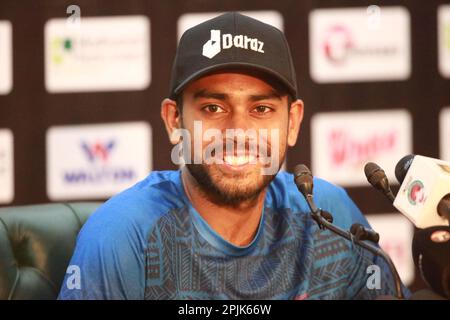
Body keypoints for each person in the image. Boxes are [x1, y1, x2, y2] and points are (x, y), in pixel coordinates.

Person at [58, 12, 409, 300]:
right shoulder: (124, 235)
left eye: (261, 108)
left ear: (293, 122)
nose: (238, 130)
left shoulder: (328, 214)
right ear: (174, 121)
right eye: (213, 107)